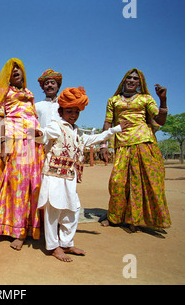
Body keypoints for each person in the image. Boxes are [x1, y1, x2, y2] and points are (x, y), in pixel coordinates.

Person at [35, 87, 131, 262]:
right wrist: (38, 134)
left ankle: (66, 243)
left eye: (76, 112)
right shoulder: (56, 127)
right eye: (69, 111)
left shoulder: (78, 132)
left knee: (72, 210)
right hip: (54, 176)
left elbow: (93, 139)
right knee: (53, 212)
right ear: (60, 111)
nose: (73, 115)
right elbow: (45, 135)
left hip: (70, 177)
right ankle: (53, 246)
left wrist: (115, 130)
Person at [99, 68, 171, 232]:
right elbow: (107, 123)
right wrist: (103, 145)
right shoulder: (114, 100)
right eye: (129, 78)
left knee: (143, 183)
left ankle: (136, 219)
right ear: (124, 80)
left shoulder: (146, 98)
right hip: (123, 144)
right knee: (118, 182)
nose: (131, 81)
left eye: (135, 79)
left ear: (140, 83)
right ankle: (115, 216)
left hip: (145, 143)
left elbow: (160, 120)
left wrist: (163, 101)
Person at [0, 58, 45, 250]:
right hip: (16, 141)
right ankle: (17, 231)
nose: (15, 72)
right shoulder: (4, 92)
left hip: (34, 142)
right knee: (17, 184)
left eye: (18, 69)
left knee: (34, 185)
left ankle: (32, 227)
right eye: (12, 70)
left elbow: (33, 115)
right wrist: (3, 144)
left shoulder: (29, 93)